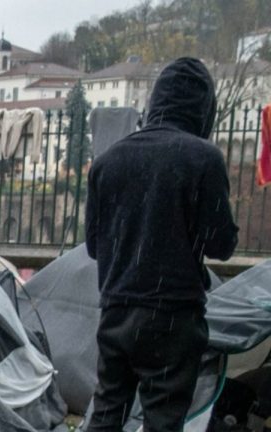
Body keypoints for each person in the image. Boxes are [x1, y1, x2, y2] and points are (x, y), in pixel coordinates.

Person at [84, 57, 239, 432]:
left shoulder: (108, 162)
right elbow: (221, 244)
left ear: (155, 102)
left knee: (106, 411)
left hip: (117, 309)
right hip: (173, 316)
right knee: (164, 419)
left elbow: (93, 246)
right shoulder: (203, 159)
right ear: (204, 109)